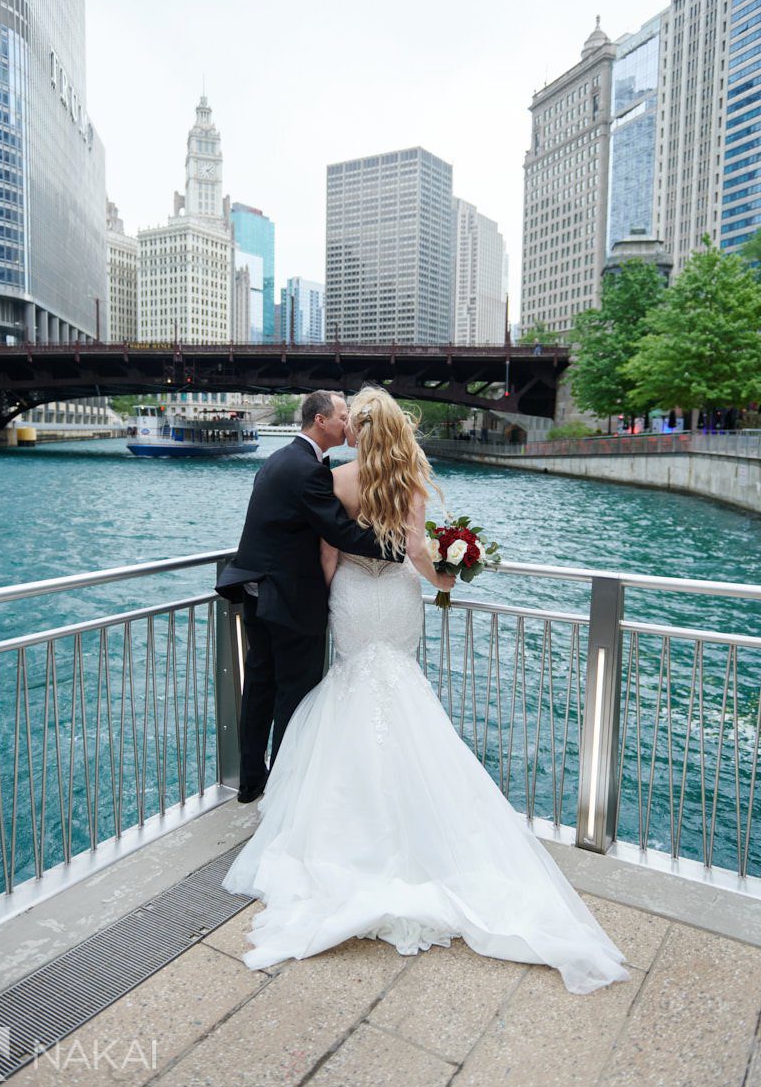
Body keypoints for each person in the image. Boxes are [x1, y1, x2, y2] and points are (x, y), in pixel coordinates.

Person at [221, 386, 628, 995]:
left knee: (346, 696)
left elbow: (329, 553)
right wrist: (453, 573)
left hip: (352, 604)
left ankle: (314, 816)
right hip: (398, 604)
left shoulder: (338, 479)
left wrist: (326, 599)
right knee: (403, 696)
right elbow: (416, 555)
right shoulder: (409, 480)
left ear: (360, 429)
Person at [215, 389, 452, 804]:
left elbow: (327, 548)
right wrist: (412, 560)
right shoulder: (332, 473)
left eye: (351, 418)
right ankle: (287, 786)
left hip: (264, 589)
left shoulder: (292, 463)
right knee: (297, 693)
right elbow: (343, 537)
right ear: (322, 421)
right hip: (296, 598)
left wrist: (335, 590)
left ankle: (253, 780)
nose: (346, 424)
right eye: (342, 416)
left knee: (262, 686)